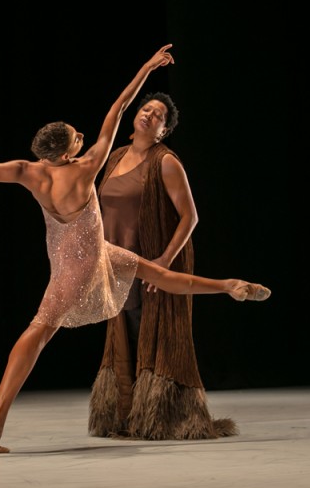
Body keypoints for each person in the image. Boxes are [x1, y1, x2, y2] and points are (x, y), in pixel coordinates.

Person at [0, 44, 270, 454]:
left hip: (90, 254)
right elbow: (118, 108)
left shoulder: (26, 172)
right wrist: (148, 67)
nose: (84, 138)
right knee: (41, 328)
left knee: (159, 275)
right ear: (67, 153)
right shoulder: (87, 167)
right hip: (80, 268)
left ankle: (230, 285)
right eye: (78, 138)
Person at [88, 92, 236, 439]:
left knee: (149, 331)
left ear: (163, 131)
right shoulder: (115, 157)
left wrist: (165, 262)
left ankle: (161, 415)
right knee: (123, 333)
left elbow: (190, 216)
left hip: (151, 260)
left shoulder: (166, 162)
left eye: (158, 116)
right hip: (116, 263)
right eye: (146, 109)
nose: (149, 115)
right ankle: (125, 414)